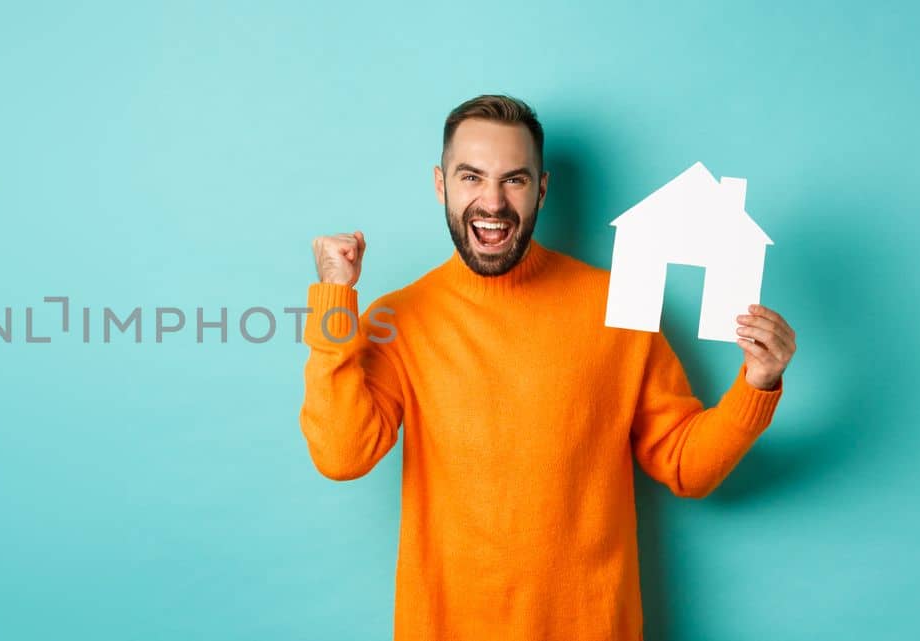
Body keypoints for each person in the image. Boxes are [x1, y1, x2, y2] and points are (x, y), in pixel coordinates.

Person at [301, 94, 796, 640]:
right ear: (441, 185)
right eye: (471, 178)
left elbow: (686, 465)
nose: (492, 202)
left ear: (542, 188)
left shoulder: (617, 306)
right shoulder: (399, 318)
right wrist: (334, 300)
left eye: (514, 180)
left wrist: (758, 383)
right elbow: (342, 455)